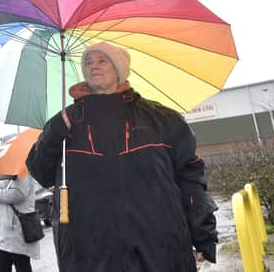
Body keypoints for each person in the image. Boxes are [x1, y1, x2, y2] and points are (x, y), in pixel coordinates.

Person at [26, 42, 218, 272]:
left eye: (102, 60)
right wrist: (53, 133)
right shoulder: (65, 122)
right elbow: (40, 171)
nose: (94, 66)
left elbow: (190, 177)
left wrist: (203, 233)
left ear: (119, 68)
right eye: (88, 62)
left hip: (160, 246)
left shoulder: (162, 119)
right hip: (88, 251)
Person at [0, 174, 41, 272]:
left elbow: (17, 195)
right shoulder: (6, 177)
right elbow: (1, 193)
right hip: (5, 233)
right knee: (2, 267)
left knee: (21, 266)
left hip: (17, 232)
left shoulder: (23, 174)